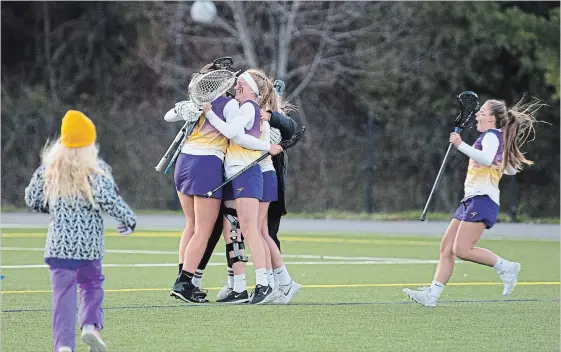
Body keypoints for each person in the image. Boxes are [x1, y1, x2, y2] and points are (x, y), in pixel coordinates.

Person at [403, 97, 543, 307]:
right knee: (446, 247)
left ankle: (506, 267)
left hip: (482, 200)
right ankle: (432, 295)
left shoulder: (491, 136)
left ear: (492, 119)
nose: (477, 116)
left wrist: (460, 144)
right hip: (471, 199)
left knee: (462, 250)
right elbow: (509, 169)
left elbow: (487, 159)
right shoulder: (494, 139)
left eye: (482, 113)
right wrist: (500, 158)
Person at [24, 110, 137, 352]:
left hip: (58, 246)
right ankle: (89, 326)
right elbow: (110, 200)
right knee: (92, 285)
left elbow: (32, 198)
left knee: (62, 297)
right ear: (89, 142)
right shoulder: (96, 169)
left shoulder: (49, 168)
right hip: (89, 247)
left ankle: (64, 345)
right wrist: (128, 220)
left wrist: (53, 208)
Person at [203, 70, 283, 304]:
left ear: (251, 89)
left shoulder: (249, 107)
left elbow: (232, 134)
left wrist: (209, 114)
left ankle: (264, 284)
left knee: (249, 229)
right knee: (238, 229)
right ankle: (240, 287)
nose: (236, 87)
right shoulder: (244, 107)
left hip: (246, 171)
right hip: (237, 173)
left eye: (240, 84)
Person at [166, 62, 241, 303]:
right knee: (203, 230)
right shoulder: (228, 104)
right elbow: (234, 133)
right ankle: (185, 282)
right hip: (206, 164)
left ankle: (182, 280)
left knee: (191, 225)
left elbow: (169, 116)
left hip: (184, 162)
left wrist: (185, 108)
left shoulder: (197, 102)